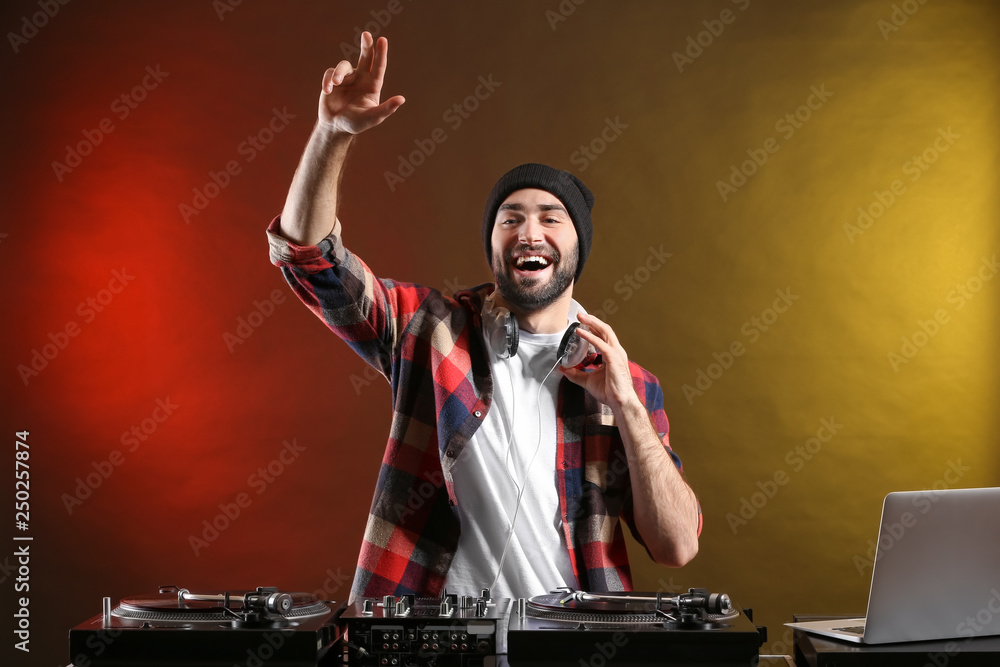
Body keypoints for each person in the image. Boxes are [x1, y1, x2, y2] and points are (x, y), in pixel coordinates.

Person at [267, 32, 701, 602]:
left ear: (577, 247)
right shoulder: (430, 330)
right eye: (510, 218)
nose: (529, 232)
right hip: (432, 643)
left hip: (573, 647)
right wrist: (330, 135)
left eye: (551, 218)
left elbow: (676, 546)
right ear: (494, 245)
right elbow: (311, 257)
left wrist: (626, 409)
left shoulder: (629, 383)